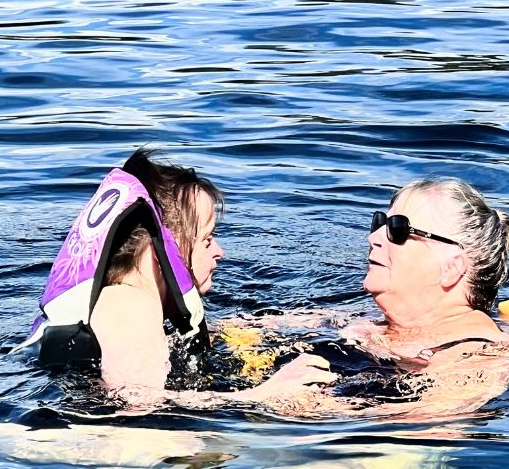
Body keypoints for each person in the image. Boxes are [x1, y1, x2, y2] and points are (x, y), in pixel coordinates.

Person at [18, 148, 333, 405]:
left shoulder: (115, 299)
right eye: (207, 240)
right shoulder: (132, 305)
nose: (219, 252)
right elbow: (135, 402)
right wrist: (262, 395)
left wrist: (265, 325)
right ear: (163, 253)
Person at [223, 177, 509, 418]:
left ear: (451, 268)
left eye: (399, 230)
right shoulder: (361, 322)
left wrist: (271, 399)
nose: (373, 238)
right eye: (380, 223)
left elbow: (420, 440)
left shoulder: (479, 361)